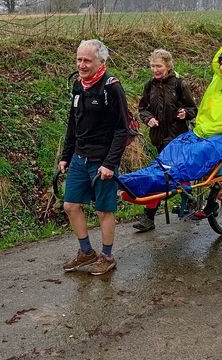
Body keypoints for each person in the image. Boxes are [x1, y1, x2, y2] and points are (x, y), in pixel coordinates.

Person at [119, 43, 222, 214]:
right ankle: (145, 178)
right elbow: (205, 112)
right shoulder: (218, 85)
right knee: (175, 147)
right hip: (204, 132)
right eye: (221, 63)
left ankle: (143, 182)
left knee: (193, 156)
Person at [59, 39, 129, 276]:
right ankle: (86, 251)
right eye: (79, 59)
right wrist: (65, 155)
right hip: (80, 157)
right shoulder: (79, 85)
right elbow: (73, 123)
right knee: (70, 206)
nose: (81, 64)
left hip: (102, 160)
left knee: (103, 210)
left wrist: (110, 163)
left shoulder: (111, 87)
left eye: (87, 60)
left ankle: (107, 256)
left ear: (101, 61)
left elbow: (122, 130)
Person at [132, 49, 197, 232]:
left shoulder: (179, 84)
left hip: (177, 138)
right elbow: (143, 109)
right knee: (171, 174)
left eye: (158, 66)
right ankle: (188, 202)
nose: (155, 70)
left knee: (165, 175)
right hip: (158, 138)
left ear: (168, 66)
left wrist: (185, 113)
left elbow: (192, 108)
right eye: (152, 66)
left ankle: (150, 217)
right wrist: (148, 119)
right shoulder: (149, 85)